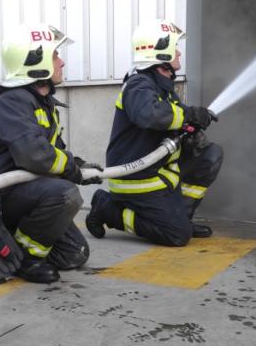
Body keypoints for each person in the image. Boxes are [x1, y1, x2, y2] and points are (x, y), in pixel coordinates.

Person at [0, 23, 100, 284]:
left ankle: (15, 236)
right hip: (5, 193)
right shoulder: (12, 102)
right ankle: (22, 257)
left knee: (75, 254)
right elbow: (35, 155)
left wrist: (78, 165)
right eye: (55, 55)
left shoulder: (41, 102)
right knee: (66, 194)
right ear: (35, 61)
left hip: (30, 189)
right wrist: (71, 169)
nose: (61, 62)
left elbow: (52, 149)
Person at [85, 19, 223, 247]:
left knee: (210, 154)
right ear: (162, 52)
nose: (179, 52)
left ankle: (182, 218)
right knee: (177, 236)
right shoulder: (139, 84)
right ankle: (108, 209)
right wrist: (189, 115)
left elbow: (174, 119)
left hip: (159, 171)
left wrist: (193, 129)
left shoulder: (163, 88)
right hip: (137, 177)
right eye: (175, 47)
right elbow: (149, 114)